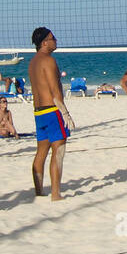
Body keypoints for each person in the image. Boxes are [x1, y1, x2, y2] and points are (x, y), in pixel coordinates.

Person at [28, 27, 74, 200]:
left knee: (41, 152)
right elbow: (55, 90)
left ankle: (39, 191)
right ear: (44, 42)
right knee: (58, 151)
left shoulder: (33, 62)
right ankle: (55, 194)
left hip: (39, 112)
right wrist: (65, 113)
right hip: (52, 110)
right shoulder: (49, 60)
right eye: (53, 37)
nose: (56, 40)